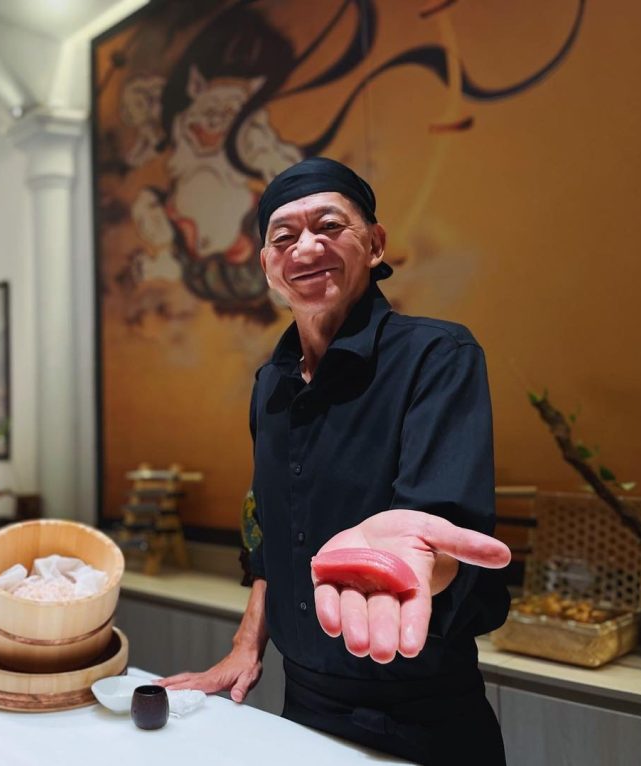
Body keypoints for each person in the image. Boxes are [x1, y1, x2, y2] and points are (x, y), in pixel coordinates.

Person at [158, 157, 512, 765]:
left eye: (329, 226)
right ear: (267, 266)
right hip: (304, 704)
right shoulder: (270, 384)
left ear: (375, 244)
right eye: (284, 237)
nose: (305, 248)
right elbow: (269, 535)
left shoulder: (436, 356)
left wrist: (410, 562)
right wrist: (246, 645)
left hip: (420, 711)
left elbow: (442, 536)